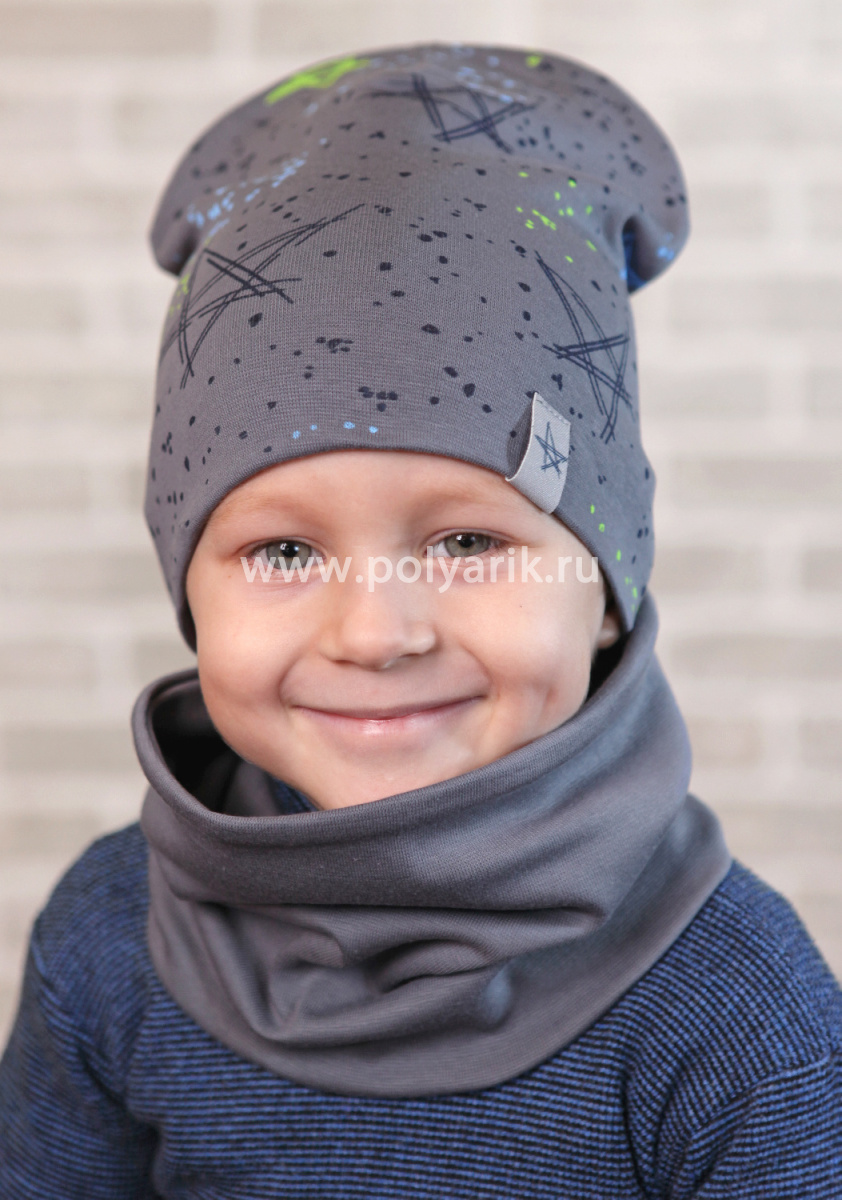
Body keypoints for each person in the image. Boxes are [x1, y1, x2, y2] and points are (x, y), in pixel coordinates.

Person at [0, 42, 839, 1198]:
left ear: (603, 590)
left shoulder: (733, 1006)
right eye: (284, 551)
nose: (375, 634)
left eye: (467, 543)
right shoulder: (107, 939)